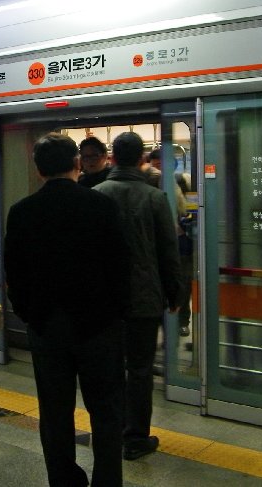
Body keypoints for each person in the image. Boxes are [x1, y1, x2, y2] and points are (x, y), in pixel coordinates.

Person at [5, 133, 130, 487]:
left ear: (39, 169)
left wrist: (31, 315)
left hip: (47, 328)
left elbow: (15, 274)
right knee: (106, 413)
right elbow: (120, 267)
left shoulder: (22, 212)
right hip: (99, 327)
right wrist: (116, 314)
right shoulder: (101, 206)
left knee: (55, 414)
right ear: (77, 164)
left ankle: (64, 481)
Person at [94, 132, 183, 461]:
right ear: (142, 159)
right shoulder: (155, 198)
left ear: (112, 158)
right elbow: (168, 252)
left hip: (105, 301)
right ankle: (135, 438)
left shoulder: (96, 194)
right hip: (144, 299)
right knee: (140, 370)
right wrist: (175, 292)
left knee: (110, 367)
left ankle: (110, 430)